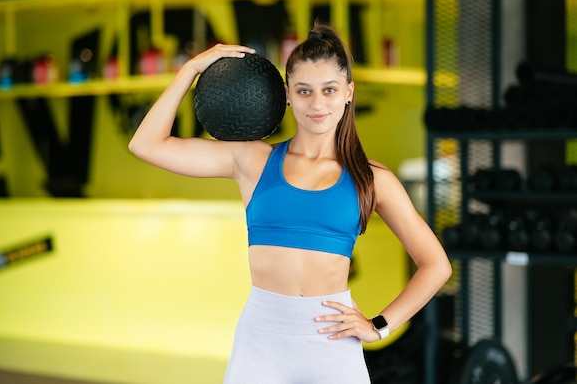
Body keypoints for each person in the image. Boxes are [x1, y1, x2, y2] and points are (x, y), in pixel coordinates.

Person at [128, 22, 452, 383]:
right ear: (286, 94)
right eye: (304, 91)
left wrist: (379, 326)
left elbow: (436, 265)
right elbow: (146, 144)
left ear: (348, 92)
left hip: (331, 343)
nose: (317, 104)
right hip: (261, 341)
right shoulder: (252, 161)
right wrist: (190, 70)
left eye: (329, 90)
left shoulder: (372, 179)